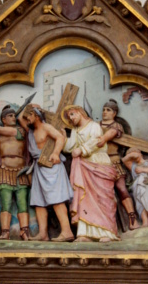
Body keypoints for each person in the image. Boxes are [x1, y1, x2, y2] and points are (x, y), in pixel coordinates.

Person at [61, 105, 119, 243]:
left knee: (102, 198)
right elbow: (70, 147)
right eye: (69, 116)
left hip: (98, 163)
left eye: (73, 114)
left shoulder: (94, 126)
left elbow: (96, 141)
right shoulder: (75, 130)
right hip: (83, 167)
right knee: (84, 197)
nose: (71, 118)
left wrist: (82, 150)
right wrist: (64, 139)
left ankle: (106, 231)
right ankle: (84, 233)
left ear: (81, 113)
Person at [19, 106, 74, 242]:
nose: (26, 120)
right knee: (39, 201)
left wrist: (55, 153)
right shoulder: (31, 131)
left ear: (35, 115)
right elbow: (20, 117)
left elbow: (60, 138)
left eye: (29, 116)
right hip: (38, 167)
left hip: (51, 166)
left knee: (57, 199)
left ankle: (67, 232)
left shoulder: (46, 127)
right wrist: (30, 104)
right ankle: (43, 234)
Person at [0, 105, 31, 240]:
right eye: (10, 116)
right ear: (3, 119)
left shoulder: (20, 131)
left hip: (20, 170)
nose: (13, 118)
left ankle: (24, 231)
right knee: (6, 202)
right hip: (4, 170)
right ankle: (5, 232)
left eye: (13, 115)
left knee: (22, 202)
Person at [97, 99, 140, 230]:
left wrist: (103, 138)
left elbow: (112, 134)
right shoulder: (96, 125)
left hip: (113, 161)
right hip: (99, 162)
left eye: (108, 110)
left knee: (121, 189)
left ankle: (132, 219)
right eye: (104, 109)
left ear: (114, 113)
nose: (105, 112)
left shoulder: (116, 126)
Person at [122, 148, 148, 227]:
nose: (134, 156)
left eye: (135, 153)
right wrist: (132, 154)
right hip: (137, 187)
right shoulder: (133, 166)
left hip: (147, 185)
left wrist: (142, 169)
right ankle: (145, 221)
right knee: (140, 204)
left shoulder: (147, 162)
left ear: (141, 154)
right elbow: (124, 160)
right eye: (131, 155)